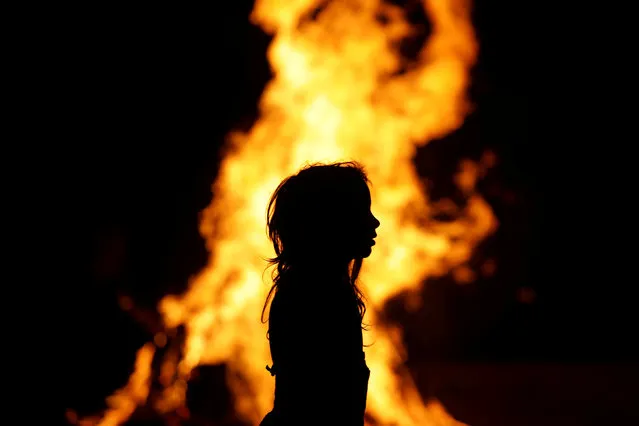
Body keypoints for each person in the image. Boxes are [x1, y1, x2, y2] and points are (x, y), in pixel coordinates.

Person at [259, 161, 380, 426]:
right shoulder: (318, 299)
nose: (374, 222)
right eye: (361, 212)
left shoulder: (315, 290)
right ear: (331, 222)